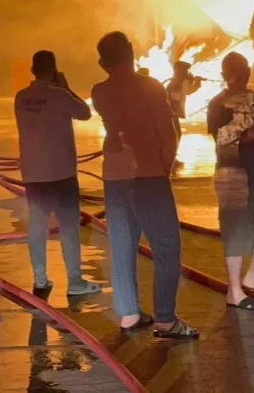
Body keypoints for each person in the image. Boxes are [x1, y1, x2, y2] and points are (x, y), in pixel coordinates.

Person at [91, 31, 199, 339]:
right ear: (132, 53)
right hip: (147, 175)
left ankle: (129, 315)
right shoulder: (149, 88)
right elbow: (168, 134)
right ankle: (165, 320)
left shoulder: (99, 91)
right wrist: (162, 169)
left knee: (122, 248)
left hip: (114, 177)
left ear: (102, 62)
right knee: (167, 247)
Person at [14, 50, 100, 296]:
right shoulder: (60, 96)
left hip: (33, 174)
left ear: (32, 70)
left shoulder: (20, 97)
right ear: (54, 70)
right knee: (68, 228)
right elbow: (85, 113)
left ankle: (40, 280)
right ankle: (74, 282)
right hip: (61, 172)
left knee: (37, 226)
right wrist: (67, 87)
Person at [206, 52, 254, 311]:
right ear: (225, 75)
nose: (245, 74)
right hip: (233, 174)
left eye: (246, 68)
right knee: (236, 229)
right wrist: (250, 136)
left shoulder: (253, 97)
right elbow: (221, 139)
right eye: (238, 70)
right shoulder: (218, 104)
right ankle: (234, 291)